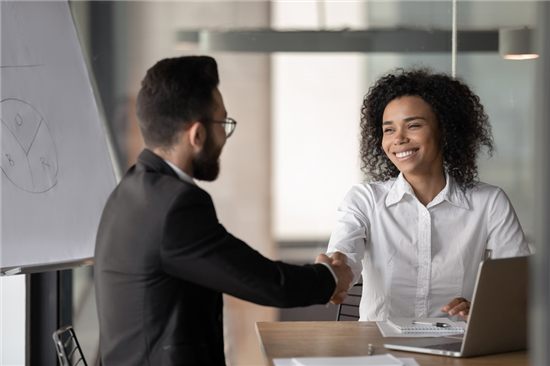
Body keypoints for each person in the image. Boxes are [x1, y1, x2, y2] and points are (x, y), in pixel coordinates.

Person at [94, 56, 353, 366]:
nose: (224, 137)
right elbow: (266, 282)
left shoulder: (129, 190)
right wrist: (330, 278)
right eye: (223, 124)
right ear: (197, 135)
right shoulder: (176, 205)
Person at [327, 68, 530, 322]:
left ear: (444, 130)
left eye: (413, 125)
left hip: (456, 350)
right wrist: (334, 277)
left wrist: (481, 307)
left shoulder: (489, 202)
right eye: (388, 130)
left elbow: (518, 285)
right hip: (380, 351)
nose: (398, 139)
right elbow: (345, 260)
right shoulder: (365, 199)